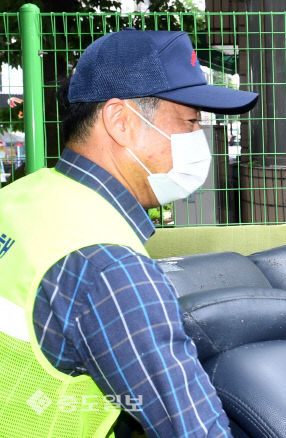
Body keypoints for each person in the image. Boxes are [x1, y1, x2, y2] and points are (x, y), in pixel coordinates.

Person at [0, 29, 258, 437]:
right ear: (121, 121)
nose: (198, 142)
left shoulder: (20, 199)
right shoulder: (108, 268)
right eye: (190, 123)